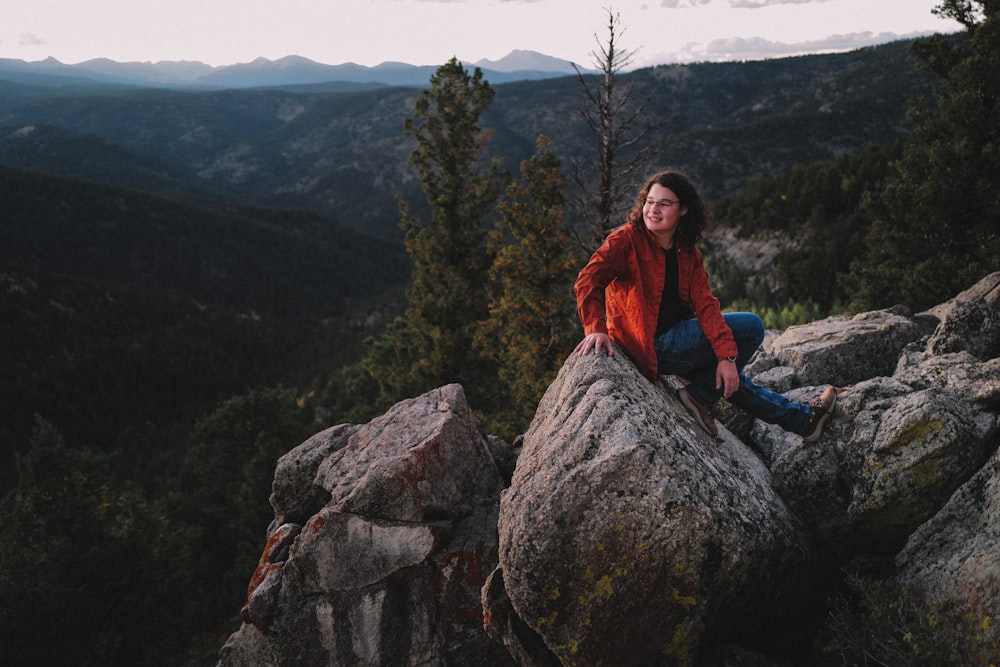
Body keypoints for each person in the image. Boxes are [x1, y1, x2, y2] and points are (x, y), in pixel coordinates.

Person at [573, 169, 836, 441]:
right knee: (752, 327)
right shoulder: (626, 240)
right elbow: (588, 279)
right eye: (649, 202)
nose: (653, 209)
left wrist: (726, 358)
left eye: (664, 203)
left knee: (731, 378)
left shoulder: (688, 253)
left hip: (679, 342)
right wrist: (596, 328)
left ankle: (804, 421)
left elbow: (707, 306)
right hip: (649, 344)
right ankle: (699, 395)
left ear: (683, 209)